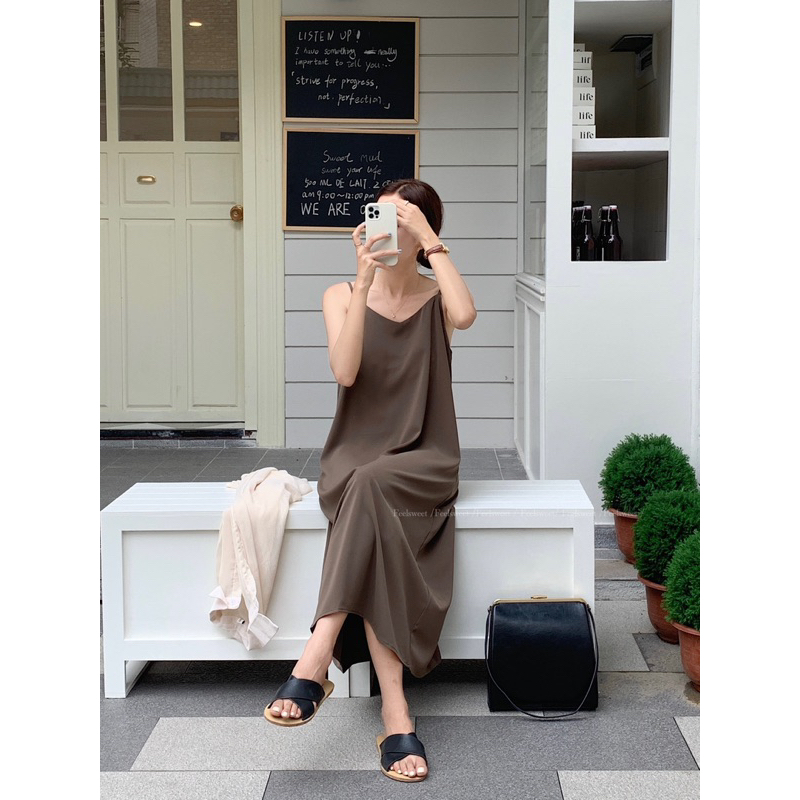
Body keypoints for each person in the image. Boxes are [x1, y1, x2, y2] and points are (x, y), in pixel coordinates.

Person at [264, 179, 477, 783]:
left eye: (401, 220)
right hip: (353, 458)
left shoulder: (438, 298)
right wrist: (363, 283)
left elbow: (466, 314)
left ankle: (318, 652)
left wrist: (431, 243)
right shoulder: (340, 294)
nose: (388, 230)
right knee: (368, 487)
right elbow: (346, 370)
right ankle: (395, 711)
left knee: (374, 486)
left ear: (423, 231)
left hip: (425, 457)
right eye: (382, 217)